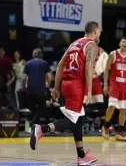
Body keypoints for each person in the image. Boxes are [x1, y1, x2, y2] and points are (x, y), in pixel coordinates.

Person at [29, 21, 100, 166]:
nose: (99, 35)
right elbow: (88, 68)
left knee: (79, 119)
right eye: (99, 32)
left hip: (67, 84)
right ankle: (41, 129)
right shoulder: (92, 45)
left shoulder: (74, 44)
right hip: (76, 85)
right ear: (94, 31)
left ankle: (81, 156)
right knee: (72, 121)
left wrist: (56, 88)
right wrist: (89, 91)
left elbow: (61, 64)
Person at [101, 37, 126, 141]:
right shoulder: (113, 54)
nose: (124, 43)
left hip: (125, 86)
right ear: (119, 44)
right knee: (112, 106)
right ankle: (106, 126)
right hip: (114, 85)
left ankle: (120, 132)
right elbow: (106, 70)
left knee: (123, 109)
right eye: (123, 41)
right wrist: (105, 85)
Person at [22, 48, 52, 126]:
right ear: (41, 55)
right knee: (42, 107)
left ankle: (32, 126)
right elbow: (49, 76)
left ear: (33, 54)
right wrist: (48, 85)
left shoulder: (28, 63)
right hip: (41, 89)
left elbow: (24, 77)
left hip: (30, 88)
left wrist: (24, 87)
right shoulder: (44, 63)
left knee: (33, 109)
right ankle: (34, 124)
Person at [83, 46, 108, 127]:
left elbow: (106, 66)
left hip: (96, 80)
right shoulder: (84, 50)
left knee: (100, 105)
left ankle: (104, 126)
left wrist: (105, 83)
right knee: (83, 105)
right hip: (86, 80)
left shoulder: (101, 51)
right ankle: (81, 125)